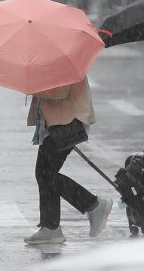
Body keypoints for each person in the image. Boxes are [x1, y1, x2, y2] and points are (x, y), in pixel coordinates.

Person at [24, 78, 113, 245]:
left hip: (68, 121)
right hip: (57, 121)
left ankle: (93, 205)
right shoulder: (52, 56)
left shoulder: (62, 58)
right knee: (44, 173)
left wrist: (35, 86)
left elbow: (60, 90)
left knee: (46, 174)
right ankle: (50, 228)